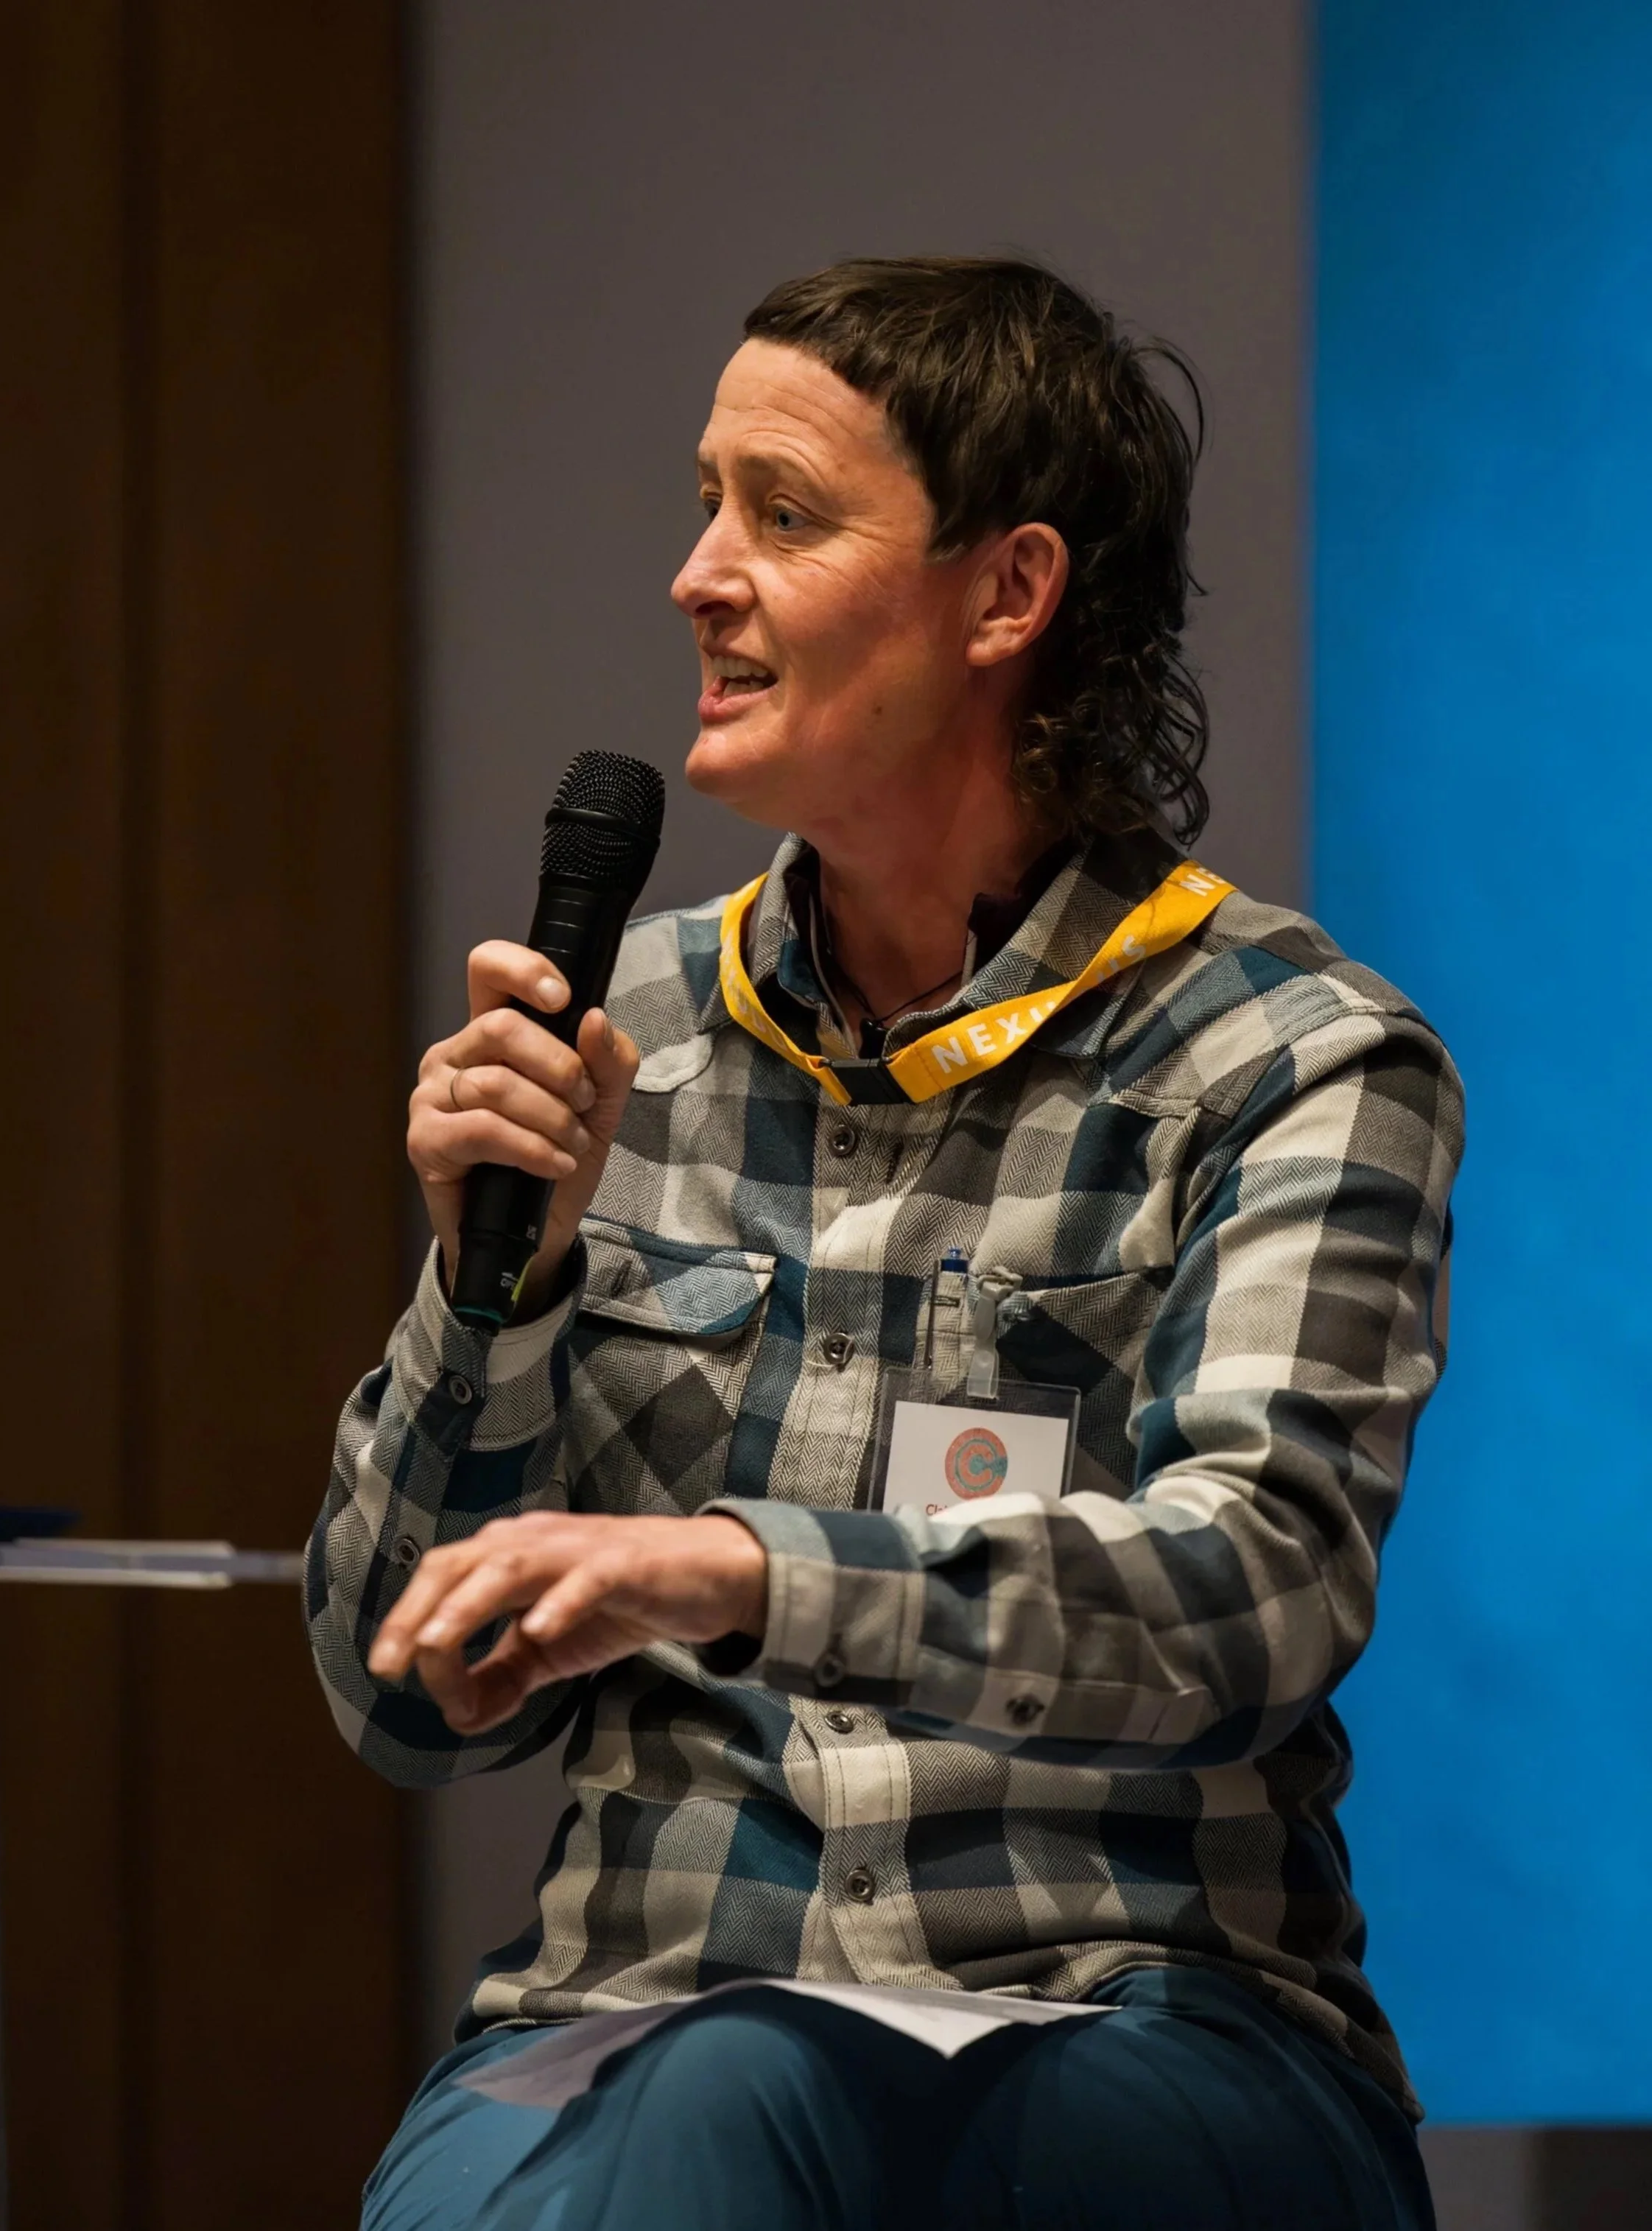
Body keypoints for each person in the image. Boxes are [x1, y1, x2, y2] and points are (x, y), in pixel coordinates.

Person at [308, 258, 1460, 2230]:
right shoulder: (627, 1039)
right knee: (573, 2154)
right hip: (632, 2001)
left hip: (1142, 2022)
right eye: (701, 499)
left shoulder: (1290, 1055)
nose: (694, 572)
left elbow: (1246, 1596)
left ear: (1005, 595)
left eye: (783, 510)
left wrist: (751, 1570)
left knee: (736, 2100)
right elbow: (396, 1702)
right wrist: (486, 1286)